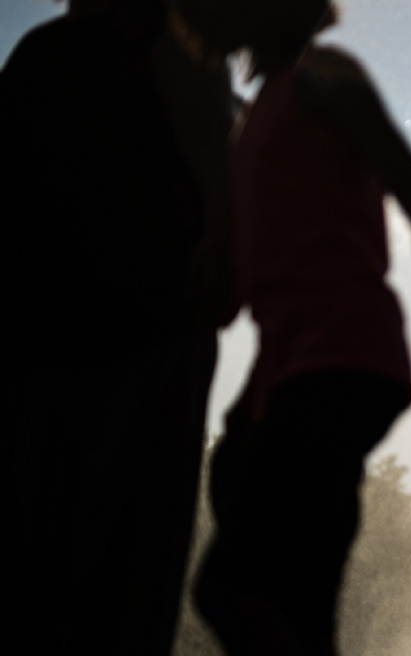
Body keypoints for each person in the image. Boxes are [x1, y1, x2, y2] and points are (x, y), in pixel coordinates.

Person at [184, 2, 411, 654]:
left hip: (343, 357)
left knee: (229, 589)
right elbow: (232, 295)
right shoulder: (253, 119)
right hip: (293, 369)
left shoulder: (321, 76)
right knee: (297, 597)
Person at [0, 0, 235, 653]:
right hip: (143, 347)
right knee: (121, 583)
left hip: (59, 350)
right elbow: (221, 210)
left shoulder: (49, 53)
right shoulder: (174, 49)